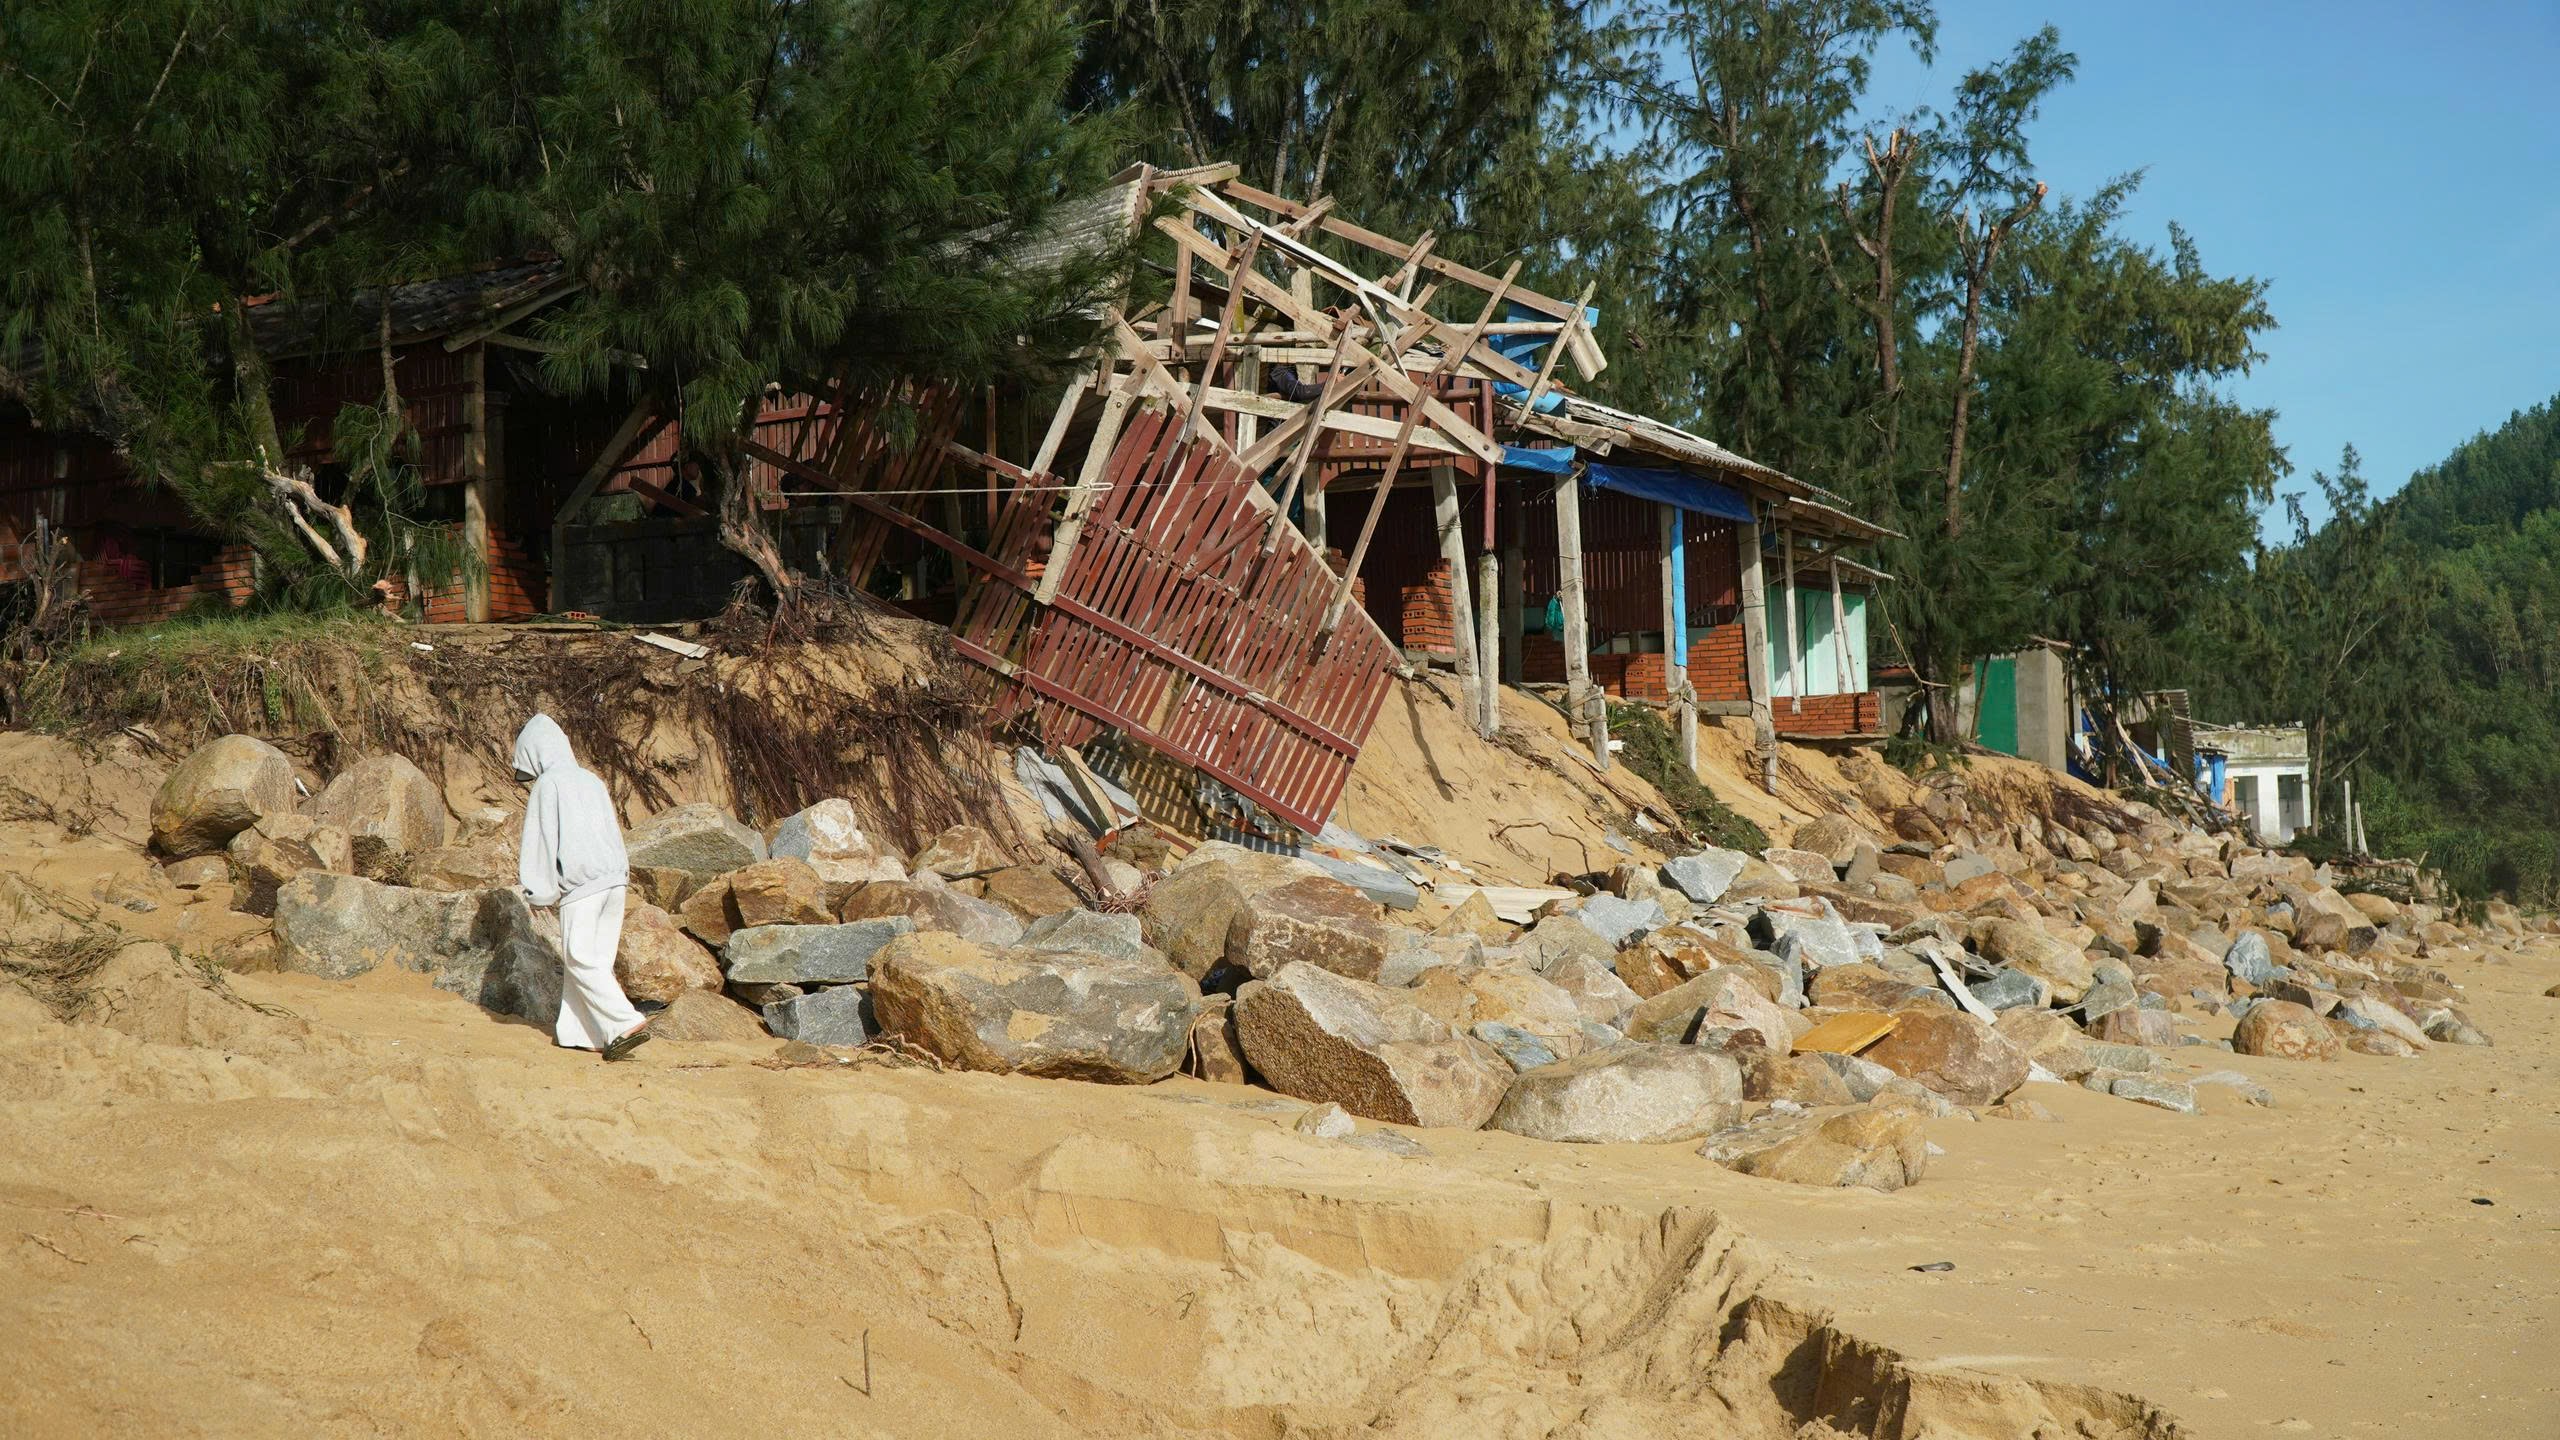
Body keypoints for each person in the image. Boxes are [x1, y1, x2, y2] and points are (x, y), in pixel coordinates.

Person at [512, 714, 651, 1060]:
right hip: (614, 880)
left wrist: (539, 890)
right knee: (597, 961)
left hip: (582, 886)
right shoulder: (591, 780)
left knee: (578, 956)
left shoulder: (549, 784)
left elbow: (541, 840)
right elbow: (612, 831)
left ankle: (623, 1020)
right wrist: (621, 873)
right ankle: (584, 1033)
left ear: (535, 753)